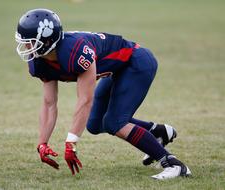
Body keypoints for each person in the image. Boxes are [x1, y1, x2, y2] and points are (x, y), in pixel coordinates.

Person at [15, 8, 192, 180]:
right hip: (117, 70)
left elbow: (85, 100)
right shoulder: (39, 62)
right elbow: (49, 104)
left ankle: (173, 164)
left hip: (136, 61)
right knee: (95, 123)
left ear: (47, 41)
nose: (25, 46)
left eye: (30, 41)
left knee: (115, 122)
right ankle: (158, 132)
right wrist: (42, 143)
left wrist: (71, 142)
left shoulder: (74, 52)